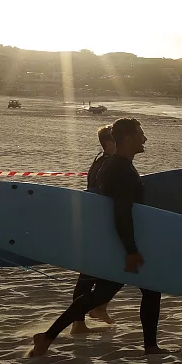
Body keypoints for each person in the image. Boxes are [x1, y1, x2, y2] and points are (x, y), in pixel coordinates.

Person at [29, 118, 164, 357]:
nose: (145, 139)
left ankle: (47, 336)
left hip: (114, 241)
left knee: (106, 294)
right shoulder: (121, 170)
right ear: (128, 139)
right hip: (120, 244)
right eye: (141, 134)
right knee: (144, 291)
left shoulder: (115, 165)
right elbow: (121, 212)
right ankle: (150, 348)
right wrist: (130, 249)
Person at [70, 125, 118, 335]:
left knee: (97, 272)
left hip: (96, 223)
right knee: (89, 275)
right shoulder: (107, 164)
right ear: (109, 143)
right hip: (99, 225)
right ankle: (78, 322)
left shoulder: (100, 161)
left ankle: (99, 308)